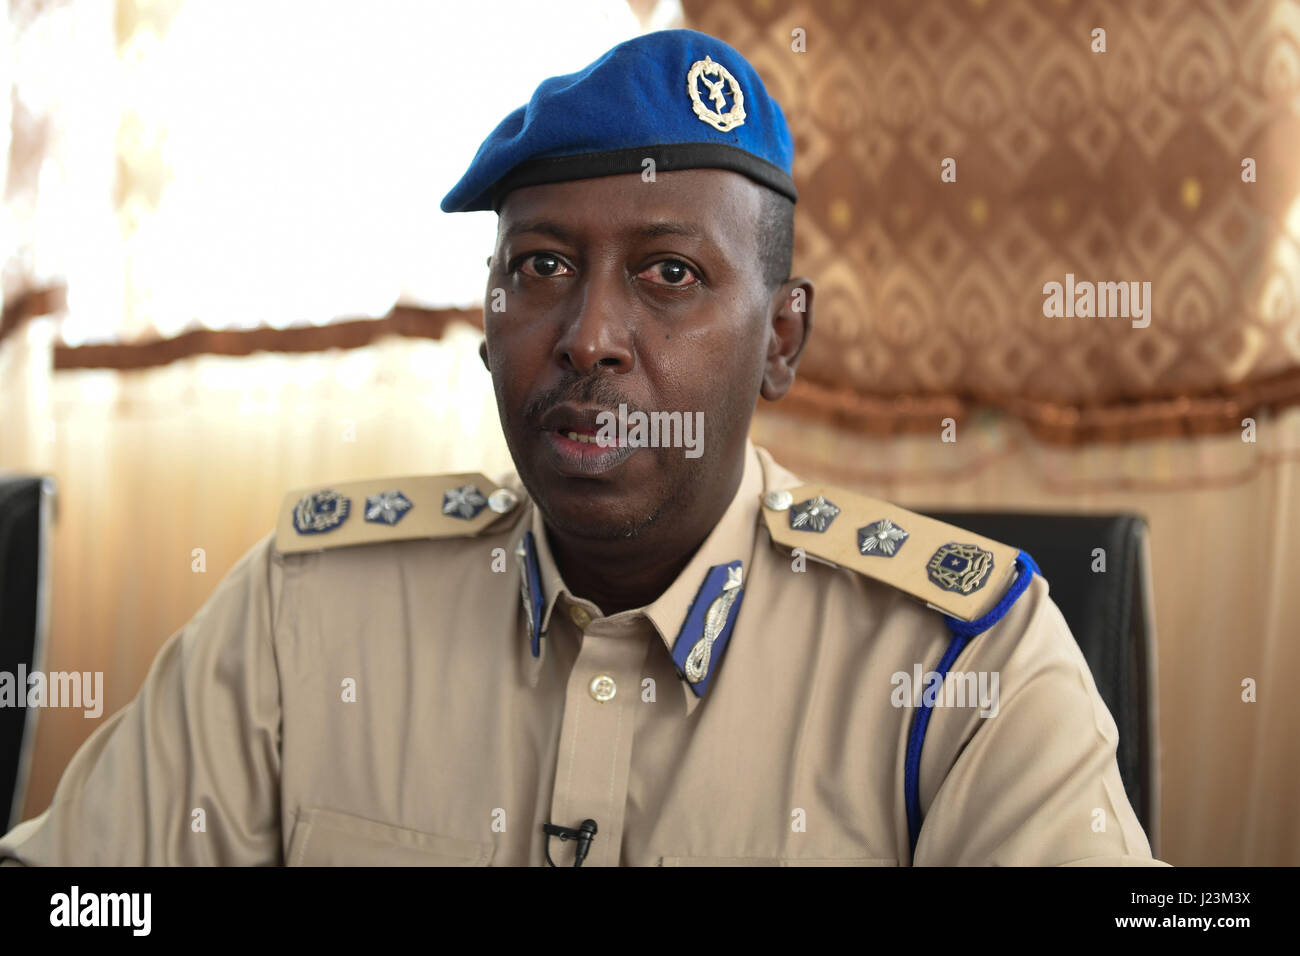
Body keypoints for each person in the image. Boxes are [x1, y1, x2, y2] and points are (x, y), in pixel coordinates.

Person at [1, 28, 1163, 866]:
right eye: (542, 266)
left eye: (670, 274)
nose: (589, 336)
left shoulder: (965, 666)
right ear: (488, 315)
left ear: (782, 340)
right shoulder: (307, 611)